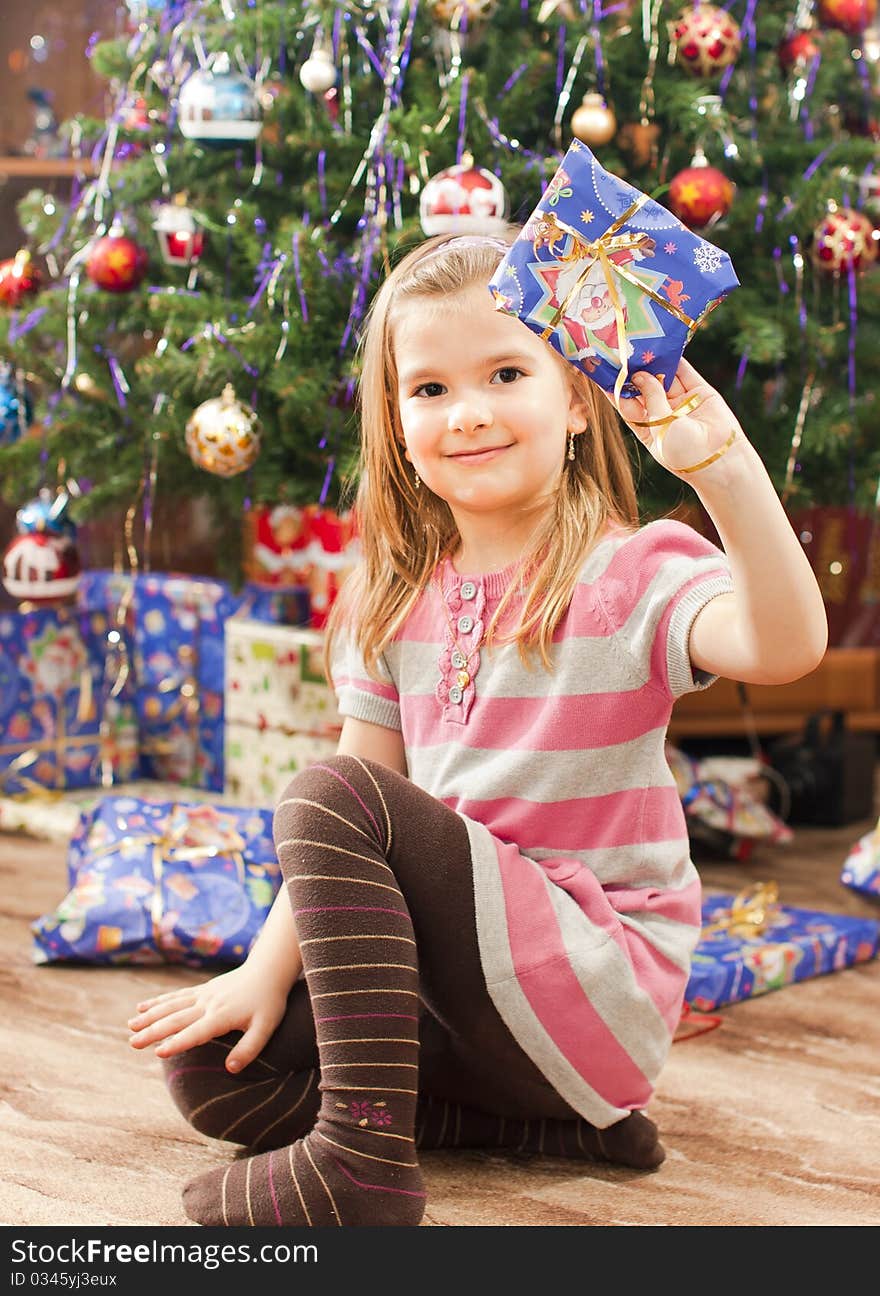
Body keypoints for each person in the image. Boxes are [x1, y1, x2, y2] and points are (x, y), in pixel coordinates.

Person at [128, 228, 828, 1228]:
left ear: (577, 401)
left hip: (594, 979)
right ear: (395, 421)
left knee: (327, 797)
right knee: (214, 1069)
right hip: (476, 1005)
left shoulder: (633, 574)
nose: (467, 414)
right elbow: (359, 800)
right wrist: (261, 971)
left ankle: (362, 1160)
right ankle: (552, 1130)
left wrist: (718, 468)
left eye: (505, 373)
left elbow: (784, 645)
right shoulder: (389, 591)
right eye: (430, 390)